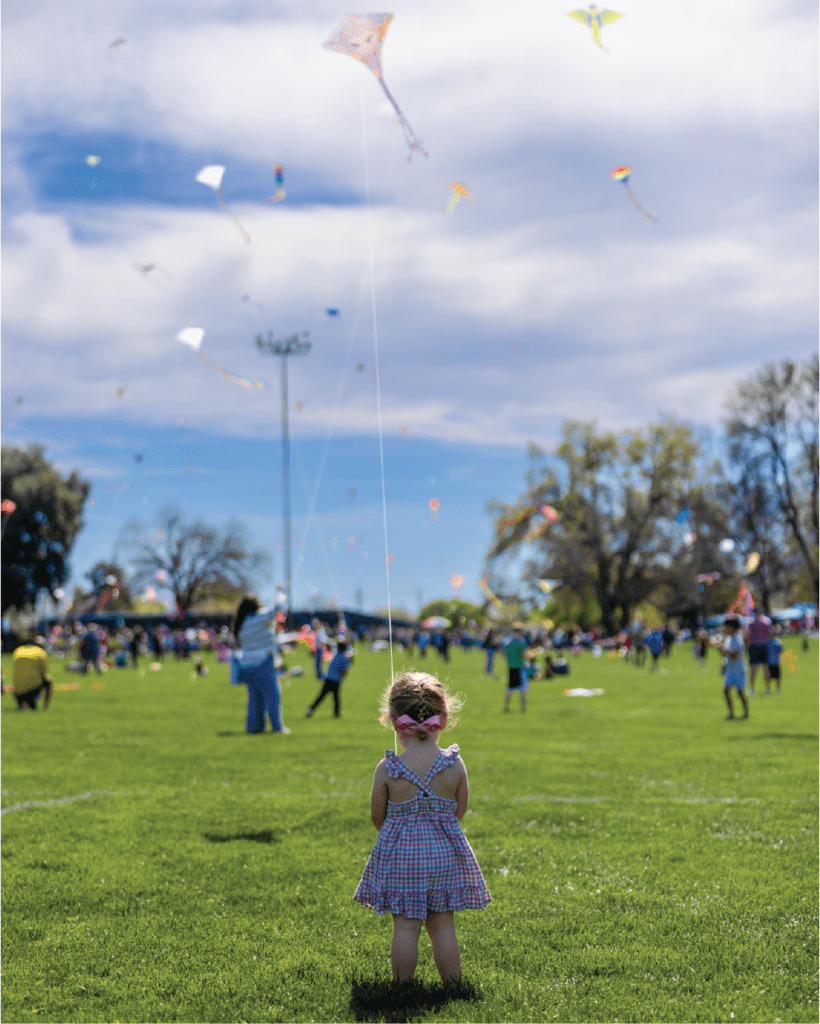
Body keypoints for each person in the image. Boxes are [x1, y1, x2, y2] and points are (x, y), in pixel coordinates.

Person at [353, 671, 491, 983]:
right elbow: (460, 810)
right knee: (442, 925)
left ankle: (402, 988)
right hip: (444, 854)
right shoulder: (454, 764)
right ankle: (453, 985)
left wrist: (398, 834)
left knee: (406, 926)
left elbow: (377, 816)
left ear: (393, 720)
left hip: (403, 857)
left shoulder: (388, 769)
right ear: (444, 718)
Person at [231, 595, 289, 734]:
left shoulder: (242, 623)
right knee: (273, 696)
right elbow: (276, 608)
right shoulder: (261, 616)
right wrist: (280, 595)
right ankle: (277, 727)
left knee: (254, 698)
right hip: (263, 662)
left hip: (246, 665)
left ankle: (254, 727)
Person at [306, 639, 351, 718]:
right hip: (336, 680)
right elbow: (345, 669)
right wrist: (343, 676)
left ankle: (311, 709)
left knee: (321, 696)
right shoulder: (344, 657)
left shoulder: (335, 655)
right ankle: (336, 714)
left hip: (328, 679)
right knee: (336, 698)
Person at [12, 637, 54, 711]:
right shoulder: (41, 653)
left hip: (17, 690)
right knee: (49, 682)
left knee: (31, 707)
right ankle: (45, 707)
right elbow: (45, 674)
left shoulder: (18, 650)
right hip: (32, 689)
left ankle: (24, 702)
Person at [722, 616, 749, 720]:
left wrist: (724, 650)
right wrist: (719, 648)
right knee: (726, 690)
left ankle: (746, 713)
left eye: (726, 627)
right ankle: (731, 714)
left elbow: (734, 656)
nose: (724, 629)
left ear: (732, 628)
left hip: (738, 669)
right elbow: (725, 654)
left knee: (740, 692)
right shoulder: (728, 639)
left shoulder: (737, 639)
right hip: (730, 668)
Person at [747, 608, 772, 695]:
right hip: (764, 646)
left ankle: (752, 689)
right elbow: (770, 633)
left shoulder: (752, 622)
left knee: (753, 669)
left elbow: (749, 634)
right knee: (766, 668)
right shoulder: (767, 621)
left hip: (754, 646)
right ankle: (768, 689)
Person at [503, 626, 528, 712]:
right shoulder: (521, 642)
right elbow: (523, 654)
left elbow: (505, 654)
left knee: (509, 688)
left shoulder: (508, 642)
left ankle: (506, 706)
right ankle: (523, 707)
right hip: (520, 667)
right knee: (522, 689)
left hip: (511, 667)